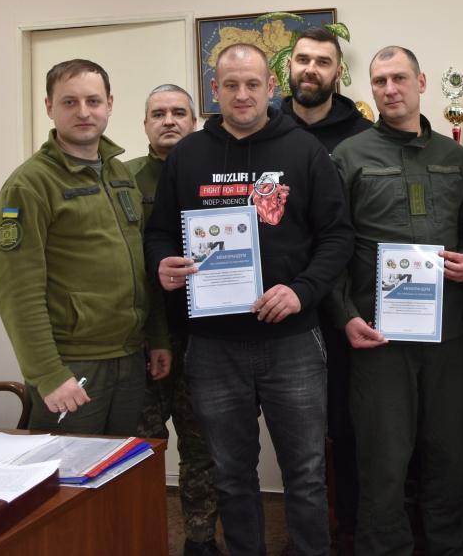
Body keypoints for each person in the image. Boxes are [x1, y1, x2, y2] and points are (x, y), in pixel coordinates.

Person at [144, 44, 354, 555]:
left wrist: (302, 291)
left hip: (292, 341)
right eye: (231, 85)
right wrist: (163, 262)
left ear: (270, 88)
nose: (242, 95)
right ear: (215, 89)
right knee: (231, 474)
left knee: (306, 473)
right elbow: (159, 232)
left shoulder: (304, 151)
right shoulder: (188, 155)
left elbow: (337, 237)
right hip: (213, 345)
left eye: (253, 84)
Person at [331, 45, 463, 556]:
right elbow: (331, 245)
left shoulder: (454, 158)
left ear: (422, 82)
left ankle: (447, 546)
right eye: (379, 81)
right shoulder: (348, 156)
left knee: (447, 451)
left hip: (446, 332)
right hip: (379, 335)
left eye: (398, 78)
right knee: (384, 457)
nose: (390, 89)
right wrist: (345, 315)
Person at [0, 58, 167, 434]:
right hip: (73, 365)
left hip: (129, 358)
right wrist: (48, 374)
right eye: (69, 102)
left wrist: (157, 337)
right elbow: (18, 291)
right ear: (49, 107)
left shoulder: (121, 173)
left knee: (122, 466)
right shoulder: (30, 184)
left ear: (109, 103)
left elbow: (140, 265)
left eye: (93, 101)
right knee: (70, 469)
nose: (84, 112)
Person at [282, 26, 371, 553]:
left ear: (338, 73)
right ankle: (306, 534)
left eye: (322, 61)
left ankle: (351, 527)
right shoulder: (265, 129)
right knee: (298, 431)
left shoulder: (361, 135)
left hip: (343, 307)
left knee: (347, 423)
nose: (310, 69)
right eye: (302, 60)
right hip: (285, 306)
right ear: (288, 67)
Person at [127, 84, 220, 556]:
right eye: (158, 113)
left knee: (202, 446)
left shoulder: (215, 173)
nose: (169, 120)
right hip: (143, 338)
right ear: (145, 123)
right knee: (142, 446)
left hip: (205, 334)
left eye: (179, 112)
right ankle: (143, 538)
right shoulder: (123, 180)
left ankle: (200, 540)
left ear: (194, 121)